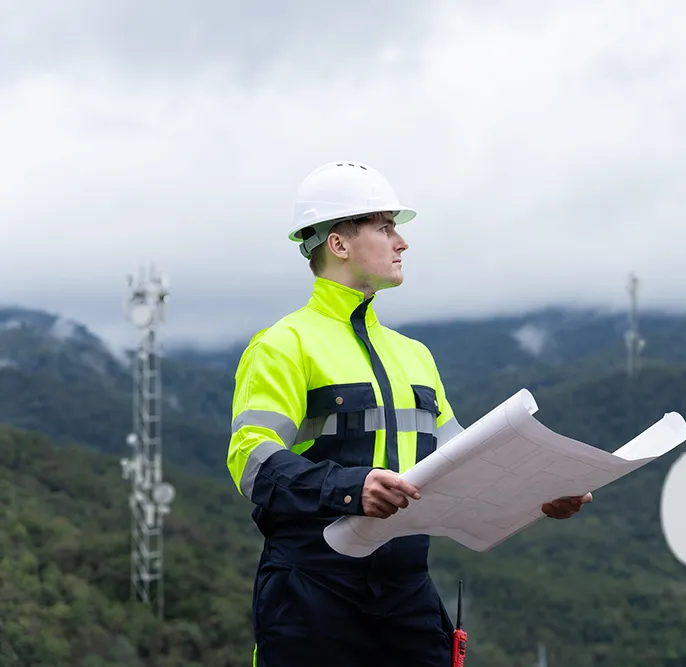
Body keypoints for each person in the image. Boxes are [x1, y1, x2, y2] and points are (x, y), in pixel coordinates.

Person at [226, 161, 593, 667]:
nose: (401, 242)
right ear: (338, 243)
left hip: (406, 592)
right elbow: (253, 462)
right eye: (384, 227)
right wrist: (352, 487)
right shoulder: (284, 345)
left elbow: (466, 464)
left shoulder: (415, 356)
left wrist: (539, 495)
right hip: (312, 591)